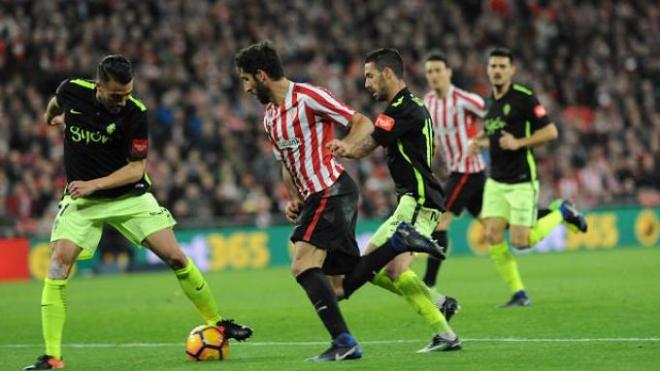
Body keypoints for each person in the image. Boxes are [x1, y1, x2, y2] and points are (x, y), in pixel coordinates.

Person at [24, 55, 252, 371]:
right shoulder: (72, 91)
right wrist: (52, 118)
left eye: (128, 92)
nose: (123, 100)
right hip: (82, 202)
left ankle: (218, 323)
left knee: (175, 256)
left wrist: (93, 184)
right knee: (58, 266)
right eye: (117, 95)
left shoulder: (135, 113)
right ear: (98, 85)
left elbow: (135, 170)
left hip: (128, 196)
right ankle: (51, 357)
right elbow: (55, 103)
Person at [234, 41, 444, 362]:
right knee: (337, 287)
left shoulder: (309, 96)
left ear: (261, 75)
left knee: (302, 265)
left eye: (247, 79)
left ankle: (344, 342)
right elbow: (286, 161)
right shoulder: (270, 117)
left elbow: (360, 121)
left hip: (331, 189)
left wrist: (344, 145)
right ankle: (399, 245)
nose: (246, 88)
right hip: (316, 198)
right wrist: (293, 197)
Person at [329, 48, 461, 353]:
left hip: (419, 201)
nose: (367, 83)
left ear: (388, 73)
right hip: (412, 200)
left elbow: (366, 146)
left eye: (370, 76)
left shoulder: (400, 109)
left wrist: (342, 148)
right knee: (368, 268)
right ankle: (438, 301)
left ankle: (445, 334)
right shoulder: (414, 106)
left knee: (395, 270)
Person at [468, 48, 588, 307]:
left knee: (522, 242)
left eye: (502, 66)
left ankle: (562, 212)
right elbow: (498, 138)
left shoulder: (524, 98)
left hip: (521, 178)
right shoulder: (491, 104)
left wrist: (520, 142)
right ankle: (519, 294)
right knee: (492, 234)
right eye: (493, 66)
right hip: (496, 181)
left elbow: (551, 132)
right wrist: (480, 142)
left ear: (512, 70)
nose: (497, 70)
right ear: (488, 70)